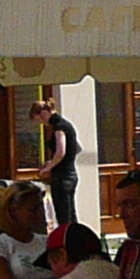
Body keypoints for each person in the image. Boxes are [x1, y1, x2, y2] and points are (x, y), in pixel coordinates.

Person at [0, 181, 52, 279]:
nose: (41, 213)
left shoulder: (47, 241)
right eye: (33, 209)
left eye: (42, 207)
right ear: (13, 212)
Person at [33, 96, 82, 227]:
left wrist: (48, 167)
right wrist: (53, 161)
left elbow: (61, 151)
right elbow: (77, 148)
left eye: (41, 120)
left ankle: (68, 242)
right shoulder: (67, 125)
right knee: (71, 214)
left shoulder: (59, 127)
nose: (44, 124)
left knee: (64, 217)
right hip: (71, 175)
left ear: (44, 113)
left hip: (61, 177)